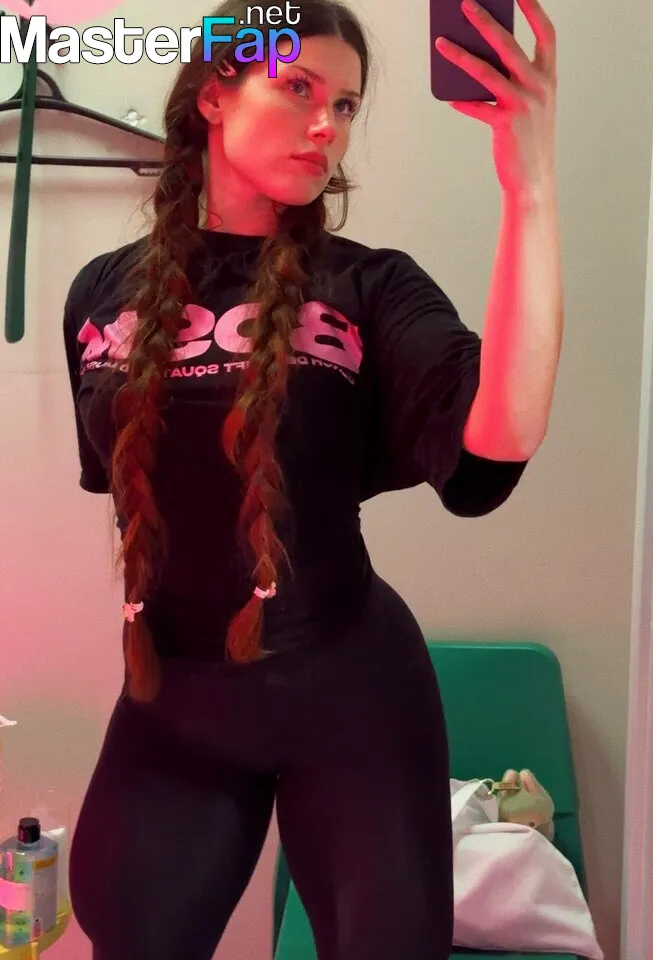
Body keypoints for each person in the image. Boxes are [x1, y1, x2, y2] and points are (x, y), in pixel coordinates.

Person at [62, 1, 545, 958]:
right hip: (172, 703)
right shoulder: (102, 290)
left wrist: (529, 191)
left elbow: (495, 445)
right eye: (298, 87)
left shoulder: (371, 285)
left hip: (353, 699)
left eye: (348, 105)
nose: (328, 124)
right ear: (214, 96)